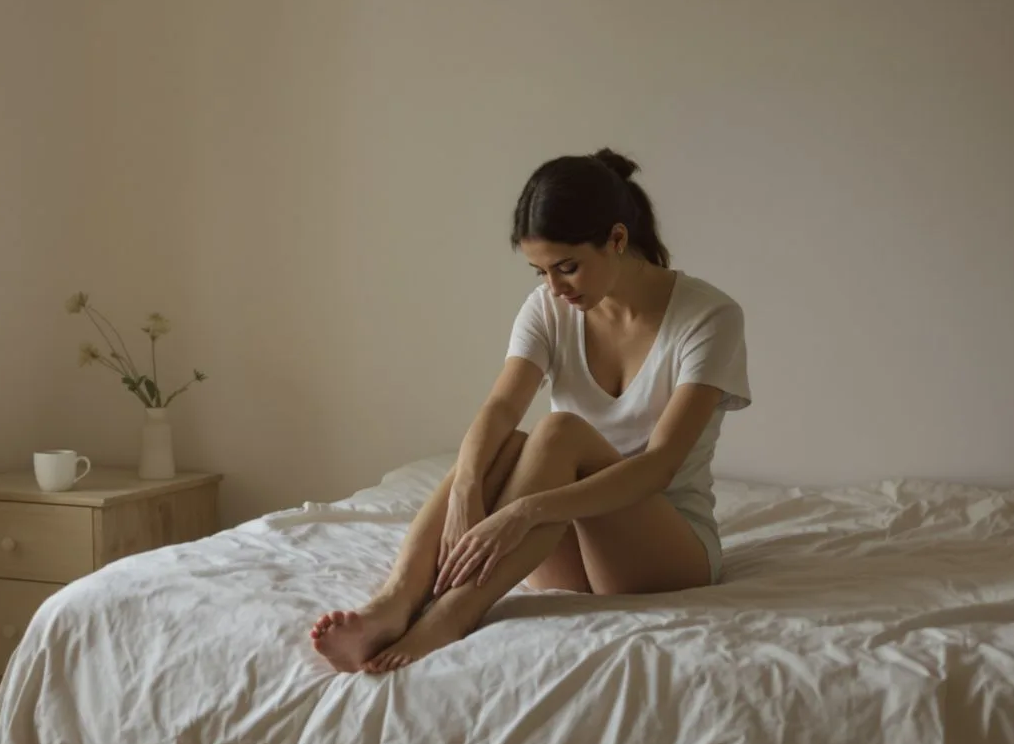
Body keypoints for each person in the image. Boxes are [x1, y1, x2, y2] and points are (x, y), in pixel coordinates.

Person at [311, 148, 751, 673]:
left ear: (616, 239)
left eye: (568, 268)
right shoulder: (549, 306)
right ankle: (394, 601)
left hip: (663, 551)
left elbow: (660, 466)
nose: (555, 289)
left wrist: (527, 510)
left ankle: (452, 614)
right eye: (540, 272)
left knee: (560, 430)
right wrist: (468, 492)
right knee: (513, 442)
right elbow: (500, 406)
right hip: (564, 555)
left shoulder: (710, 317)